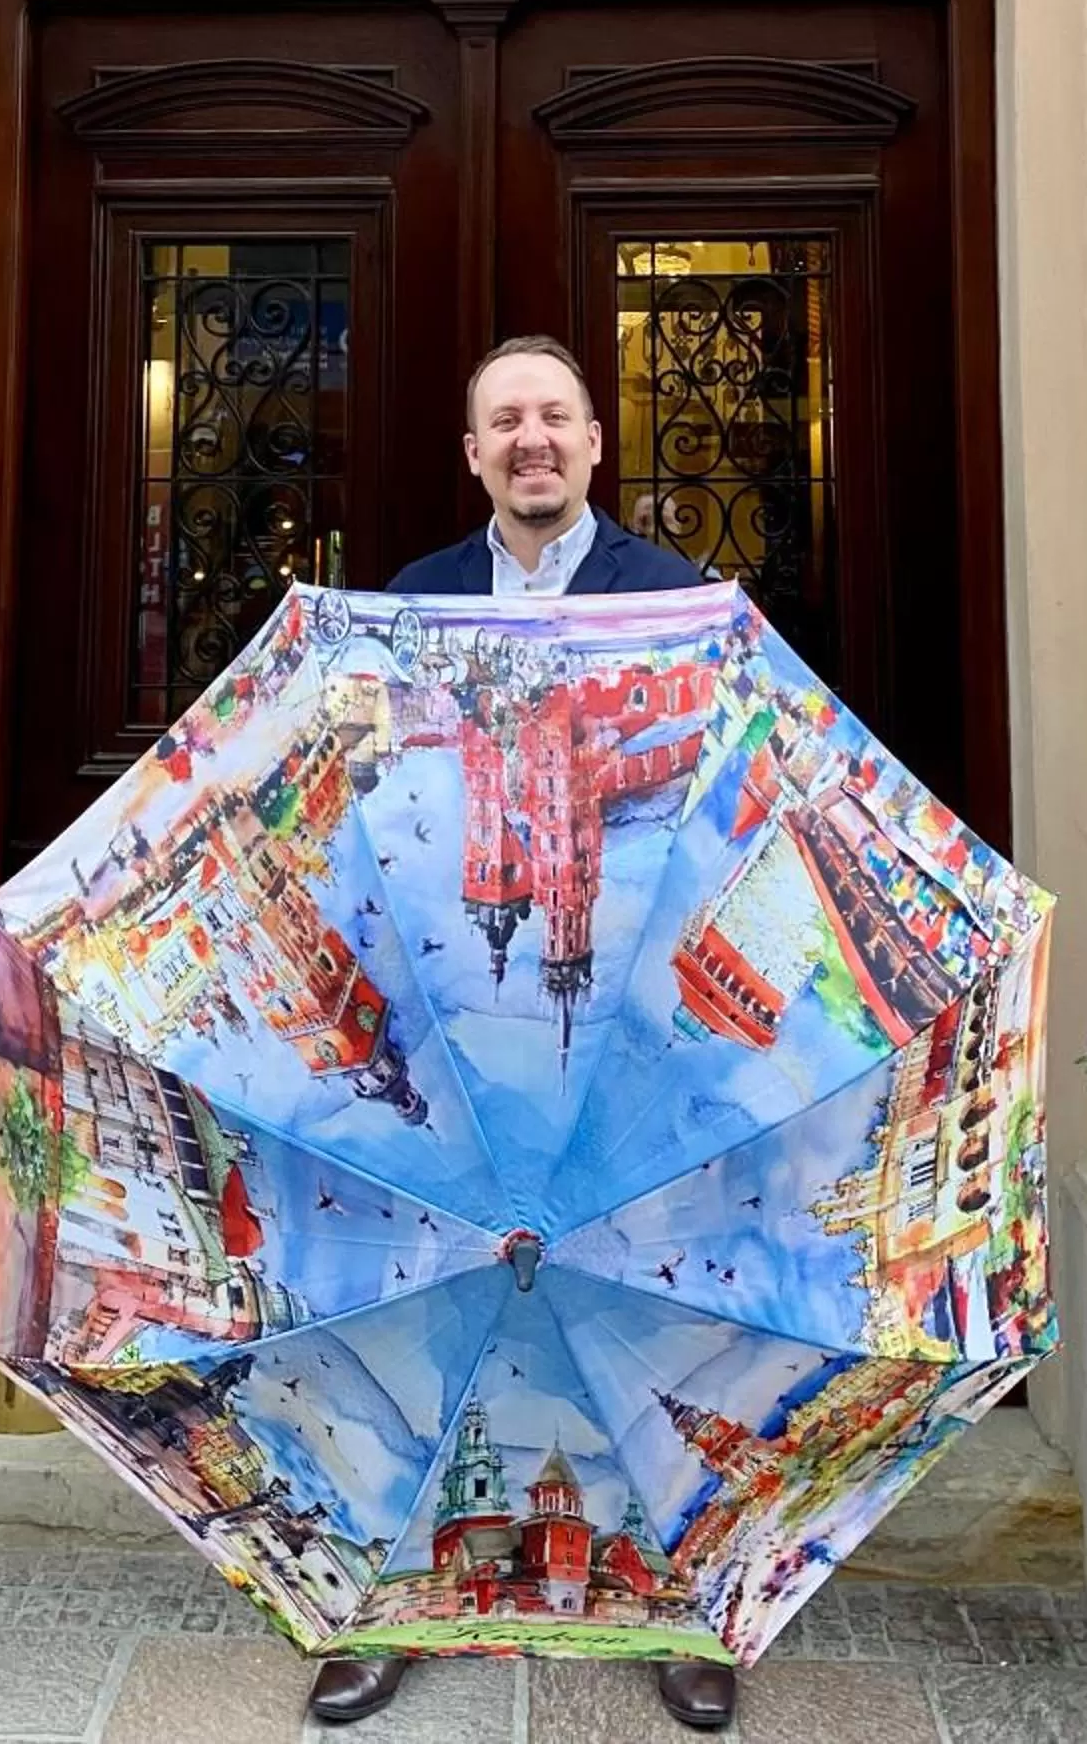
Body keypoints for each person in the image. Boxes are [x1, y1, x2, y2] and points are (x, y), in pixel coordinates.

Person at [308, 335, 738, 1736]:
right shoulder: (414, 603)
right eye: (506, 422)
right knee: (444, 1323)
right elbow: (368, 801)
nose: (532, 441)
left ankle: (686, 1610)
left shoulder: (676, 601)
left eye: (554, 416)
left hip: (628, 1036)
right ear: (473, 453)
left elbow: (727, 798)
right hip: (466, 1031)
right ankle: (388, 1602)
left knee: (652, 1324)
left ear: (596, 443)